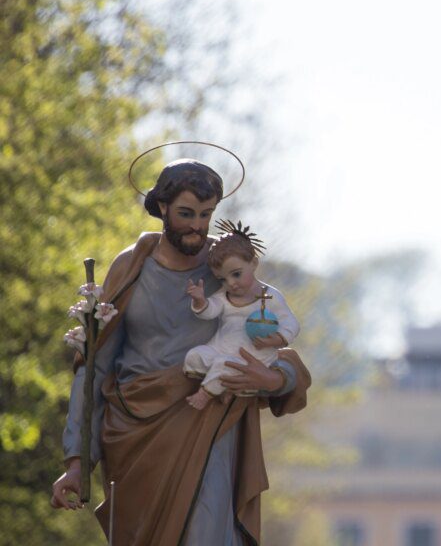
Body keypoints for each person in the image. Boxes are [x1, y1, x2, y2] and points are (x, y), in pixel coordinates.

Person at [50, 158, 311, 545]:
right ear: (162, 209)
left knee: (207, 533)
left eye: (207, 214)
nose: (197, 225)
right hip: (134, 436)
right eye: (187, 213)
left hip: (207, 422)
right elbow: (94, 367)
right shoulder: (131, 268)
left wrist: (275, 378)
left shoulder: (225, 267)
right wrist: (77, 461)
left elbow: (272, 335)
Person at [184, 219, 300, 410]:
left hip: (252, 358)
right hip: (221, 350)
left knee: (224, 365)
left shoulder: (270, 296)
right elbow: (210, 310)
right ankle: (223, 386)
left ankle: (204, 394)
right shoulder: (224, 296)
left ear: (253, 263)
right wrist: (199, 301)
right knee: (194, 356)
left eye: (236, 274)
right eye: (223, 278)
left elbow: (291, 323)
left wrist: (276, 339)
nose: (231, 283)